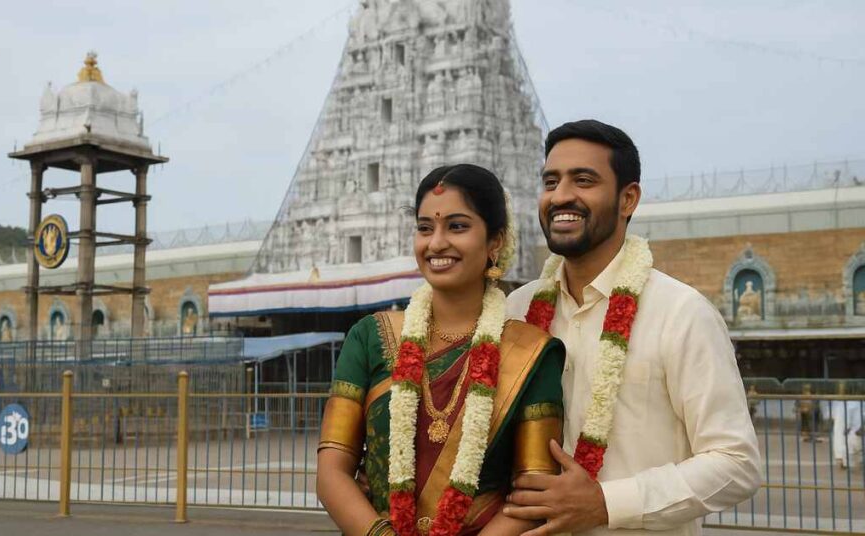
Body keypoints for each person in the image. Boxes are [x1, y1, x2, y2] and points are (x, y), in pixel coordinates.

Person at [503, 120, 762, 536]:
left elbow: (736, 464)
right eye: (551, 181)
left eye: (583, 180)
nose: (561, 195)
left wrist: (606, 503)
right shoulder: (517, 310)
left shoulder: (681, 313)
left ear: (628, 199)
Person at [317, 164, 566, 536]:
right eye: (424, 228)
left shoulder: (530, 352)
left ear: (495, 241)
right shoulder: (369, 337)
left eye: (457, 226)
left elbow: (533, 490)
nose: (436, 244)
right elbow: (331, 472)